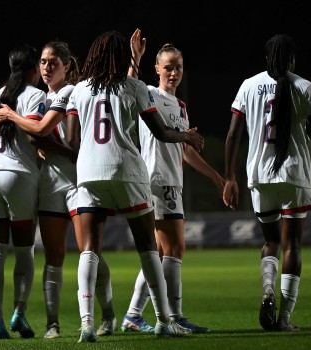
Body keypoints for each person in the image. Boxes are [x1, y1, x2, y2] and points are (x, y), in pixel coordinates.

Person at [66, 30, 203, 342]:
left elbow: (72, 139)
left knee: (90, 249)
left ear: (95, 55)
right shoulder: (135, 87)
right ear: (123, 57)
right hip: (128, 172)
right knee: (147, 248)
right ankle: (164, 321)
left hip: (89, 173)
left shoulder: (79, 91)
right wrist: (188, 137)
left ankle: (87, 324)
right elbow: (161, 133)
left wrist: (88, 156)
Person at [0, 40, 119, 339]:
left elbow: (42, 134)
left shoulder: (70, 92)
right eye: (44, 62)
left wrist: (26, 129)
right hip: (50, 182)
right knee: (54, 256)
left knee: (91, 252)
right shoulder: (38, 98)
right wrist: (39, 144)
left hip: (78, 182)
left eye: (53, 62)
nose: (47, 67)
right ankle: (53, 324)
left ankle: (109, 314)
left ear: (66, 66)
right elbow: (36, 137)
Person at [223, 34, 311, 332]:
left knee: (271, 241)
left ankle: (267, 290)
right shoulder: (304, 86)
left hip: (260, 177)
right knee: (293, 245)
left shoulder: (248, 85)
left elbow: (233, 135)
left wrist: (229, 176)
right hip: (294, 175)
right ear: (292, 59)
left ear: (266, 58)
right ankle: (285, 318)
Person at [119, 28, 224, 334]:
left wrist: (216, 178)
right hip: (157, 179)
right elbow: (128, 87)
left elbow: (185, 151)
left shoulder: (180, 107)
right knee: (175, 249)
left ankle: (133, 315)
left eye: (178, 67)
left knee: (161, 253)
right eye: (168, 67)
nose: (174, 72)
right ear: (157, 69)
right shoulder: (149, 94)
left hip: (170, 180)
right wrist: (134, 58)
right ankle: (174, 318)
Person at [0, 43, 45, 340]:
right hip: (17, 176)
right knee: (25, 249)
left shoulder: (0, 94)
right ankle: (19, 312)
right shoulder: (36, 95)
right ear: (33, 70)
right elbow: (34, 131)